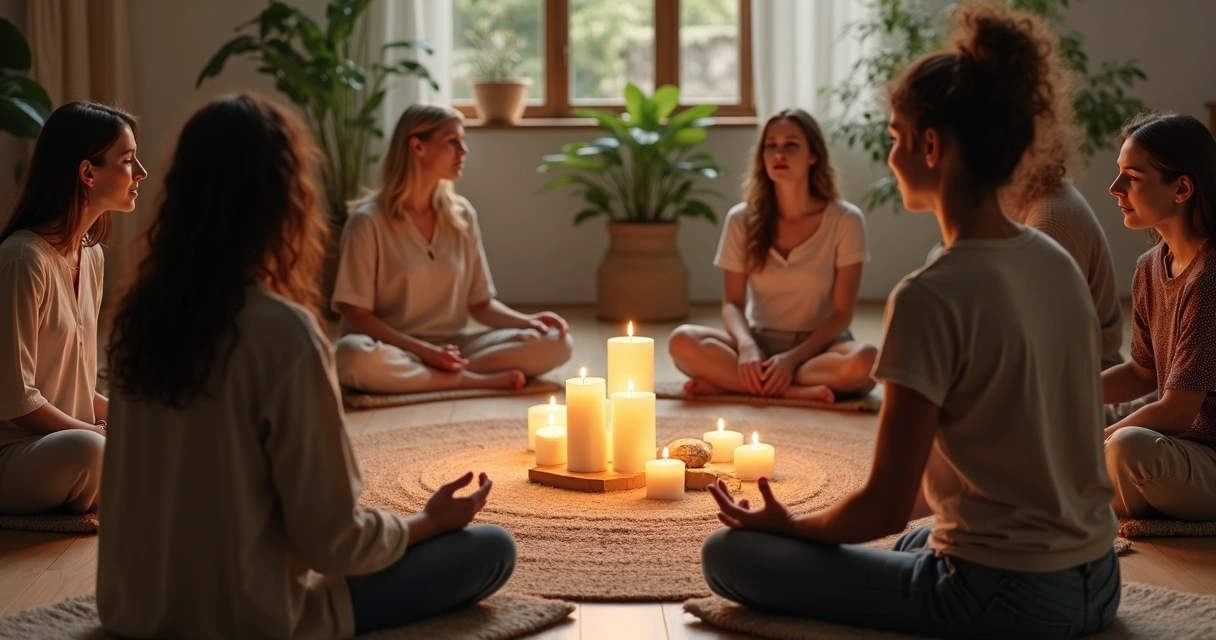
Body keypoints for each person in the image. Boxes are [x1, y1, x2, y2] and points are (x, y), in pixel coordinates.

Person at [700, 4, 1120, 638]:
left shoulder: (930, 292)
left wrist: (791, 529)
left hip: (1000, 595)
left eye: (895, 137)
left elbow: (883, 504)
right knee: (918, 538)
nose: (891, 154)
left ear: (931, 146)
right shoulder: (1054, 261)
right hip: (1098, 578)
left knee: (729, 557)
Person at [98, 94, 515, 639]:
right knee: (491, 550)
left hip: (133, 610)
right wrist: (429, 522)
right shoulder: (282, 332)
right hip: (252, 618)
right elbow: (334, 542)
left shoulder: (138, 319)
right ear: (286, 199)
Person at [332, 104, 572, 394]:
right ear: (417, 147)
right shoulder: (367, 222)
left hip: (455, 348)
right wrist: (425, 352)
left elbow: (480, 304)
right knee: (350, 357)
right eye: (452, 141)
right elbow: (356, 315)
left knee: (556, 344)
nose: (464, 150)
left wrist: (529, 322)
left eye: (463, 140)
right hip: (393, 348)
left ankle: (431, 378)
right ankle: (466, 380)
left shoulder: (461, 215)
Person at [669, 108, 877, 403]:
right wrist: (746, 347)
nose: (779, 154)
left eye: (791, 145)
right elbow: (733, 304)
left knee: (867, 362)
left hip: (819, 349)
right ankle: (794, 392)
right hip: (759, 342)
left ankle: (737, 384)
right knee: (682, 342)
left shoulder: (845, 219)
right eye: (771, 145)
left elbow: (842, 314)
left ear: (813, 155)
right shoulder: (741, 219)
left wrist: (791, 360)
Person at [0, 102, 146, 515]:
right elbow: (19, 400)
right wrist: (100, 433)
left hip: (72, 438)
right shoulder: (22, 260)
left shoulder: (92, 255)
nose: (141, 174)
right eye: (129, 161)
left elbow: (78, 386)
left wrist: (135, 420)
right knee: (90, 450)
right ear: (87, 173)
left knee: (153, 425)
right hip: (16, 453)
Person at [1102, 111, 1216, 522]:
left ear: (1182, 188)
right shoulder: (1150, 266)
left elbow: (1177, 411)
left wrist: (1095, 442)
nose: (1114, 188)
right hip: (1182, 447)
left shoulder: (1209, 279)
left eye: (1131, 177)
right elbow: (1141, 373)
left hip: (1207, 457)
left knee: (1125, 446)